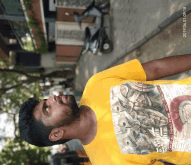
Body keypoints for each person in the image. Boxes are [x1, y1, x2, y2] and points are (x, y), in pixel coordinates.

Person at [19, 54, 191, 165]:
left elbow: (155, 69)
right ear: (56, 134)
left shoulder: (96, 83)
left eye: (46, 100)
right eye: (47, 108)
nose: (53, 98)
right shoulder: (105, 161)